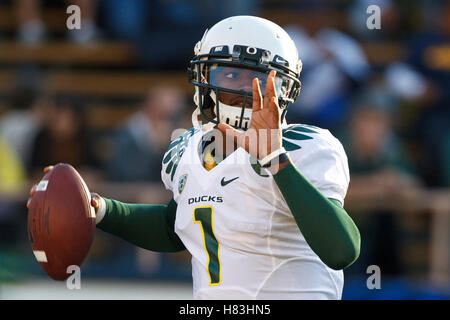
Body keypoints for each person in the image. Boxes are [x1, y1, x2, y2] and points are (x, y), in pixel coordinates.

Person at [28, 16, 360, 300]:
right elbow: (176, 226)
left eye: (257, 80)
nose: (244, 91)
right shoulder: (190, 149)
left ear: (283, 90)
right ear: (205, 80)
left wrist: (275, 159)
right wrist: (100, 209)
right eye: (230, 77)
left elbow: (341, 250)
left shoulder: (307, 145)